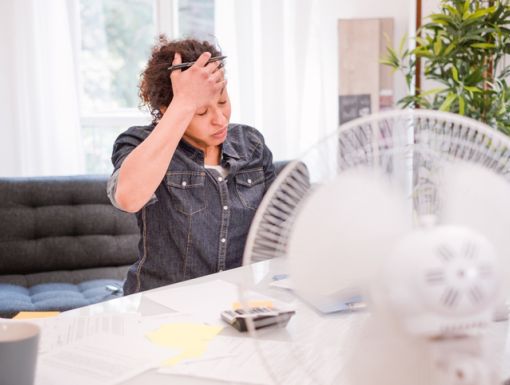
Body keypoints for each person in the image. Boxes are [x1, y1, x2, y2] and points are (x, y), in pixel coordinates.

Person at [107, 36, 276, 295]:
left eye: (222, 102)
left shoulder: (251, 144)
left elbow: (276, 225)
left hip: (236, 307)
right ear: (167, 109)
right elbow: (128, 198)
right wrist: (185, 102)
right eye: (200, 112)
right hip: (162, 308)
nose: (220, 119)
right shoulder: (140, 142)